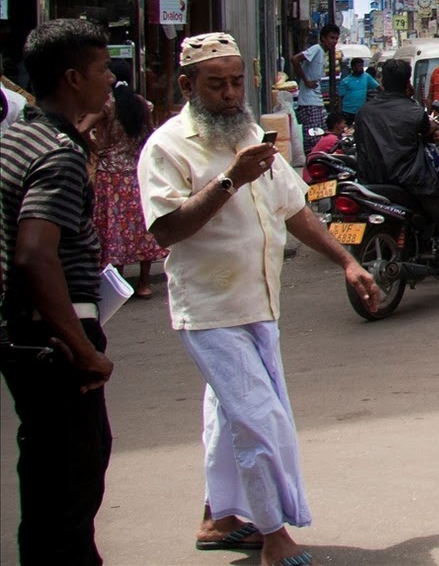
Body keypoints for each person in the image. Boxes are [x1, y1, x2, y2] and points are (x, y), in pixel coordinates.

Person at [137, 31, 382, 566]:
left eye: (235, 83)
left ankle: (219, 515)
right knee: (257, 417)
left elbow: (293, 210)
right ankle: (273, 532)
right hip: (209, 309)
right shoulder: (167, 146)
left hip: (260, 302)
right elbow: (166, 231)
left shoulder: (249, 133)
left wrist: (347, 261)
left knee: (227, 417)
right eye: (216, 84)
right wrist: (229, 180)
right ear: (187, 85)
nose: (229, 94)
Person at [0, 19, 117, 565]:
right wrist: (81, 347)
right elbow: (34, 253)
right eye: (101, 70)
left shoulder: (19, 135)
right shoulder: (57, 153)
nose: (111, 80)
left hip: (25, 333)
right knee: (72, 478)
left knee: (48, 477)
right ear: (73, 78)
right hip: (52, 335)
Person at [357, 59, 439, 308]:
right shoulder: (413, 111)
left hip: (374, 183)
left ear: (383, 81)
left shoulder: (366, 111)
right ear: (407, 82)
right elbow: (430, 132)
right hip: (412, 182)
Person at [89, 66, 166, 298]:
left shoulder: (107, 106)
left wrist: (95, 147)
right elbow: (151, 136)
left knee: (113, 229)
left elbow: (80, 127)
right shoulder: (143, 105)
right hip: (136, 174)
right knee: (141, 228)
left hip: (110, 176)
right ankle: (143, 283)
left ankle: (118, 282)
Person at [292, 23, 339, 154]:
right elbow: (295, 59)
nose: (334, 41)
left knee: (321, 136)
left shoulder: (322, 54)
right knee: (313, 140)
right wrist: (306, 81)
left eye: (336, 38)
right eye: (331, 38)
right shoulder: (317, 49)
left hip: (316, 102)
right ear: (323, 38)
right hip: (309, 103)